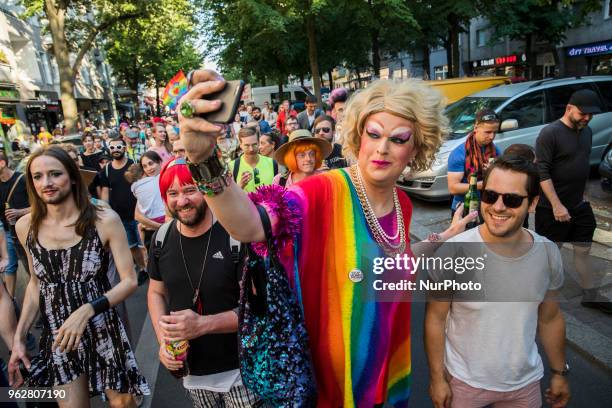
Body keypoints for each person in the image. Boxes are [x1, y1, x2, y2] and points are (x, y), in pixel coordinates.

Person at [178, 70, 476, 406]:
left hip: (387, 374)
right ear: (358, 136)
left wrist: (448, 234)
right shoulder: (321, 191)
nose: (382, 149)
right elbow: (249, 225)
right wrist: (204, 161)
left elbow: (391, 260)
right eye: (373, 134)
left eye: (399, 139)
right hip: (327, 388)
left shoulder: (402, 204)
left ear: (417, 147)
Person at [8, 146, 149, 406]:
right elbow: (36, 284)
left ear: (72, 176)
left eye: (54, 174)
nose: (46, 183)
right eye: (37, 177)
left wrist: (86, 310)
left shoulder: (103, 219)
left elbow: (129, 280)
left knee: (123, 403)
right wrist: (19, 338)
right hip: (60, 335)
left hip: (103, 327)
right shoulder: (25, 226)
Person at [426, 155, 570, 408]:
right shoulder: (454, 251)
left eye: (512, 199)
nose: (498, 207)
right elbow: (435, 319)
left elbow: (550, 318)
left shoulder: (548, 254)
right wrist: (437, 378)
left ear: (533, 202)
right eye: (490, 196)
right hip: (463, 383)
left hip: (524, 385)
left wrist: (559, 372)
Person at [147, 158, 261, 407]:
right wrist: (163, 340)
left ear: (205, 190)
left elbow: (257, 309)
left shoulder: (235, 234)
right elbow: (155, 291)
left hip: (242, 373)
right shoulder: (161, 238)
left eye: (190, 190)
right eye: (173, 193)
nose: (182, 200)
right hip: (192, 375)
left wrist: (202, 325)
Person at [535, 89, 611, 313]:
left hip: (579, 206)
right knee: (549, 254)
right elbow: (542, 172)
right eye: (582, 113)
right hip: (551, 209)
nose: (587, 118)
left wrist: (583, 194)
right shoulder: (550, 133)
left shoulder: (585, 132)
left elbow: (580, 164)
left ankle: (590, 294)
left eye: (591, 115)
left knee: (583, 250)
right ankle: (539, 296)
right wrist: (557, 205)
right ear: (569, 108)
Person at [99, 138, 148, 286]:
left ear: (124, 148)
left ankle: (152, 269)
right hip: (120, 217)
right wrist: (103, 213)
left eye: (118, 146)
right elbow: (105, 194)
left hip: (139, 214)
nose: (115, 149)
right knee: (132, 246)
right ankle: (143, 269)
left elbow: (143, 185)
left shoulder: (133, 165)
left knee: (144, 245)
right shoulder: (106, 170)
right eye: (112, 147)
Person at [447, 109, 501, 218]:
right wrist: (481, 185)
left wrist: (494, 171)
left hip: (488, 207)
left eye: (495, 132)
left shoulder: (495, 151)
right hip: (464, 207)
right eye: (488, 132)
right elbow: (453, 188)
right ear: (476, 128)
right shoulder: (459, 153)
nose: (492, 137)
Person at [0, 152, 30, 297]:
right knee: (9, 268)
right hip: (8, 234)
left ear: (2, 163)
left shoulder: (22, 179)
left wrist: (19, 212)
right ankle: (10, 301)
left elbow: (40, 205)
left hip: (28, 232)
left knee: (32, 270)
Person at [128, 151, 166, 248]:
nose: (149, 168)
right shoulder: (148, 184)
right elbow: (137, 216)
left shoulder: (165, 177)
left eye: (151, 163)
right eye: (145, 166)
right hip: (155, 231)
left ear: (159, 162)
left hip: (165, 226)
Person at [229, 128, 278, 192]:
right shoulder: (233, 166)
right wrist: (240, 186)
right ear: (240, 145)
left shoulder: (272, 163)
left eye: (254, 144)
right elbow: (229, 197)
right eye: (246, 145)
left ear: (258, 143)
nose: (251, 149)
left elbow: (278, 190)